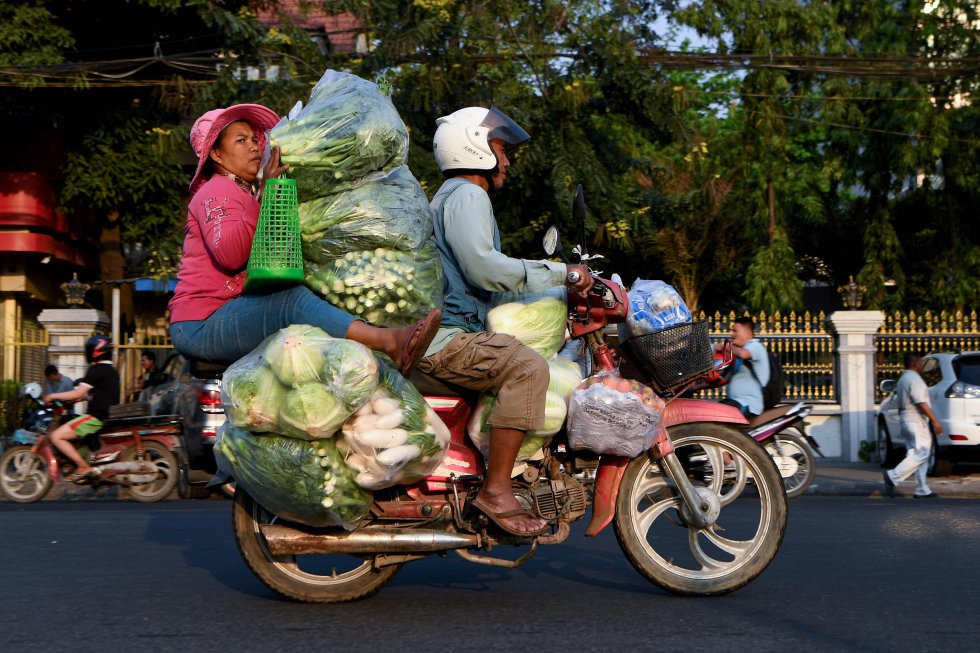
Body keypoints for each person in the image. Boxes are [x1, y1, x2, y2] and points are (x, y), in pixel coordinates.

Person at [417, 106, 593, 537]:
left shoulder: (453, 196)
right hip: (445, 339)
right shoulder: (467, 194)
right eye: (501, 149)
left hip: (441, 332)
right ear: (475, 148)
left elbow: (487, 282)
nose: (508, 160)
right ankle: (497, 490)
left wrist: (548, 290)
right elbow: (485, 269)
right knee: (527, 367)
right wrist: (561, 273)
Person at [167, 104, 441, 374]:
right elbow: (230, 254)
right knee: (290, 302)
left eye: (254, 139)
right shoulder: (216, 192)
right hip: (200, 323)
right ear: (216, 153)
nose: (253, 146)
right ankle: (389, 341)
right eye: (241, 141)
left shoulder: (245, 191)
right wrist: (264, 194)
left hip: (230, 312)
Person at [43, 336, 121, 483]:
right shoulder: (110, 370)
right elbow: (90, 395)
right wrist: (79, 398)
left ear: (95, 351)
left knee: (56, 436)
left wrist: (52, 396)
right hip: (103, 415)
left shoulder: (96, 369)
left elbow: (78, 392)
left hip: (95, 417)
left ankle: (83, 466)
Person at [883, 353, 942, 499]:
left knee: (915, 455)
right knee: (922, 452)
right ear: (915, 363)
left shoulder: (903, 378)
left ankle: (922, 489)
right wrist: (935, 420)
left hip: (906, 419)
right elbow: (921, 402)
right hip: (915, 420)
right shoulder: (914, 379)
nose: (923, 364)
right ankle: (893, 476)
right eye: (921, 362)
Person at [715, 316, 769, 418]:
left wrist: (723, 347)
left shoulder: (755, 346)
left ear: (748, 333)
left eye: (735, 331)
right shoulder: (739, 355)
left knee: (714, 415)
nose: (732, 334)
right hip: (736, 402)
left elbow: (743, 354)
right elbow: (722, 378)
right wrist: (695, 387)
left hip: (748, 404)